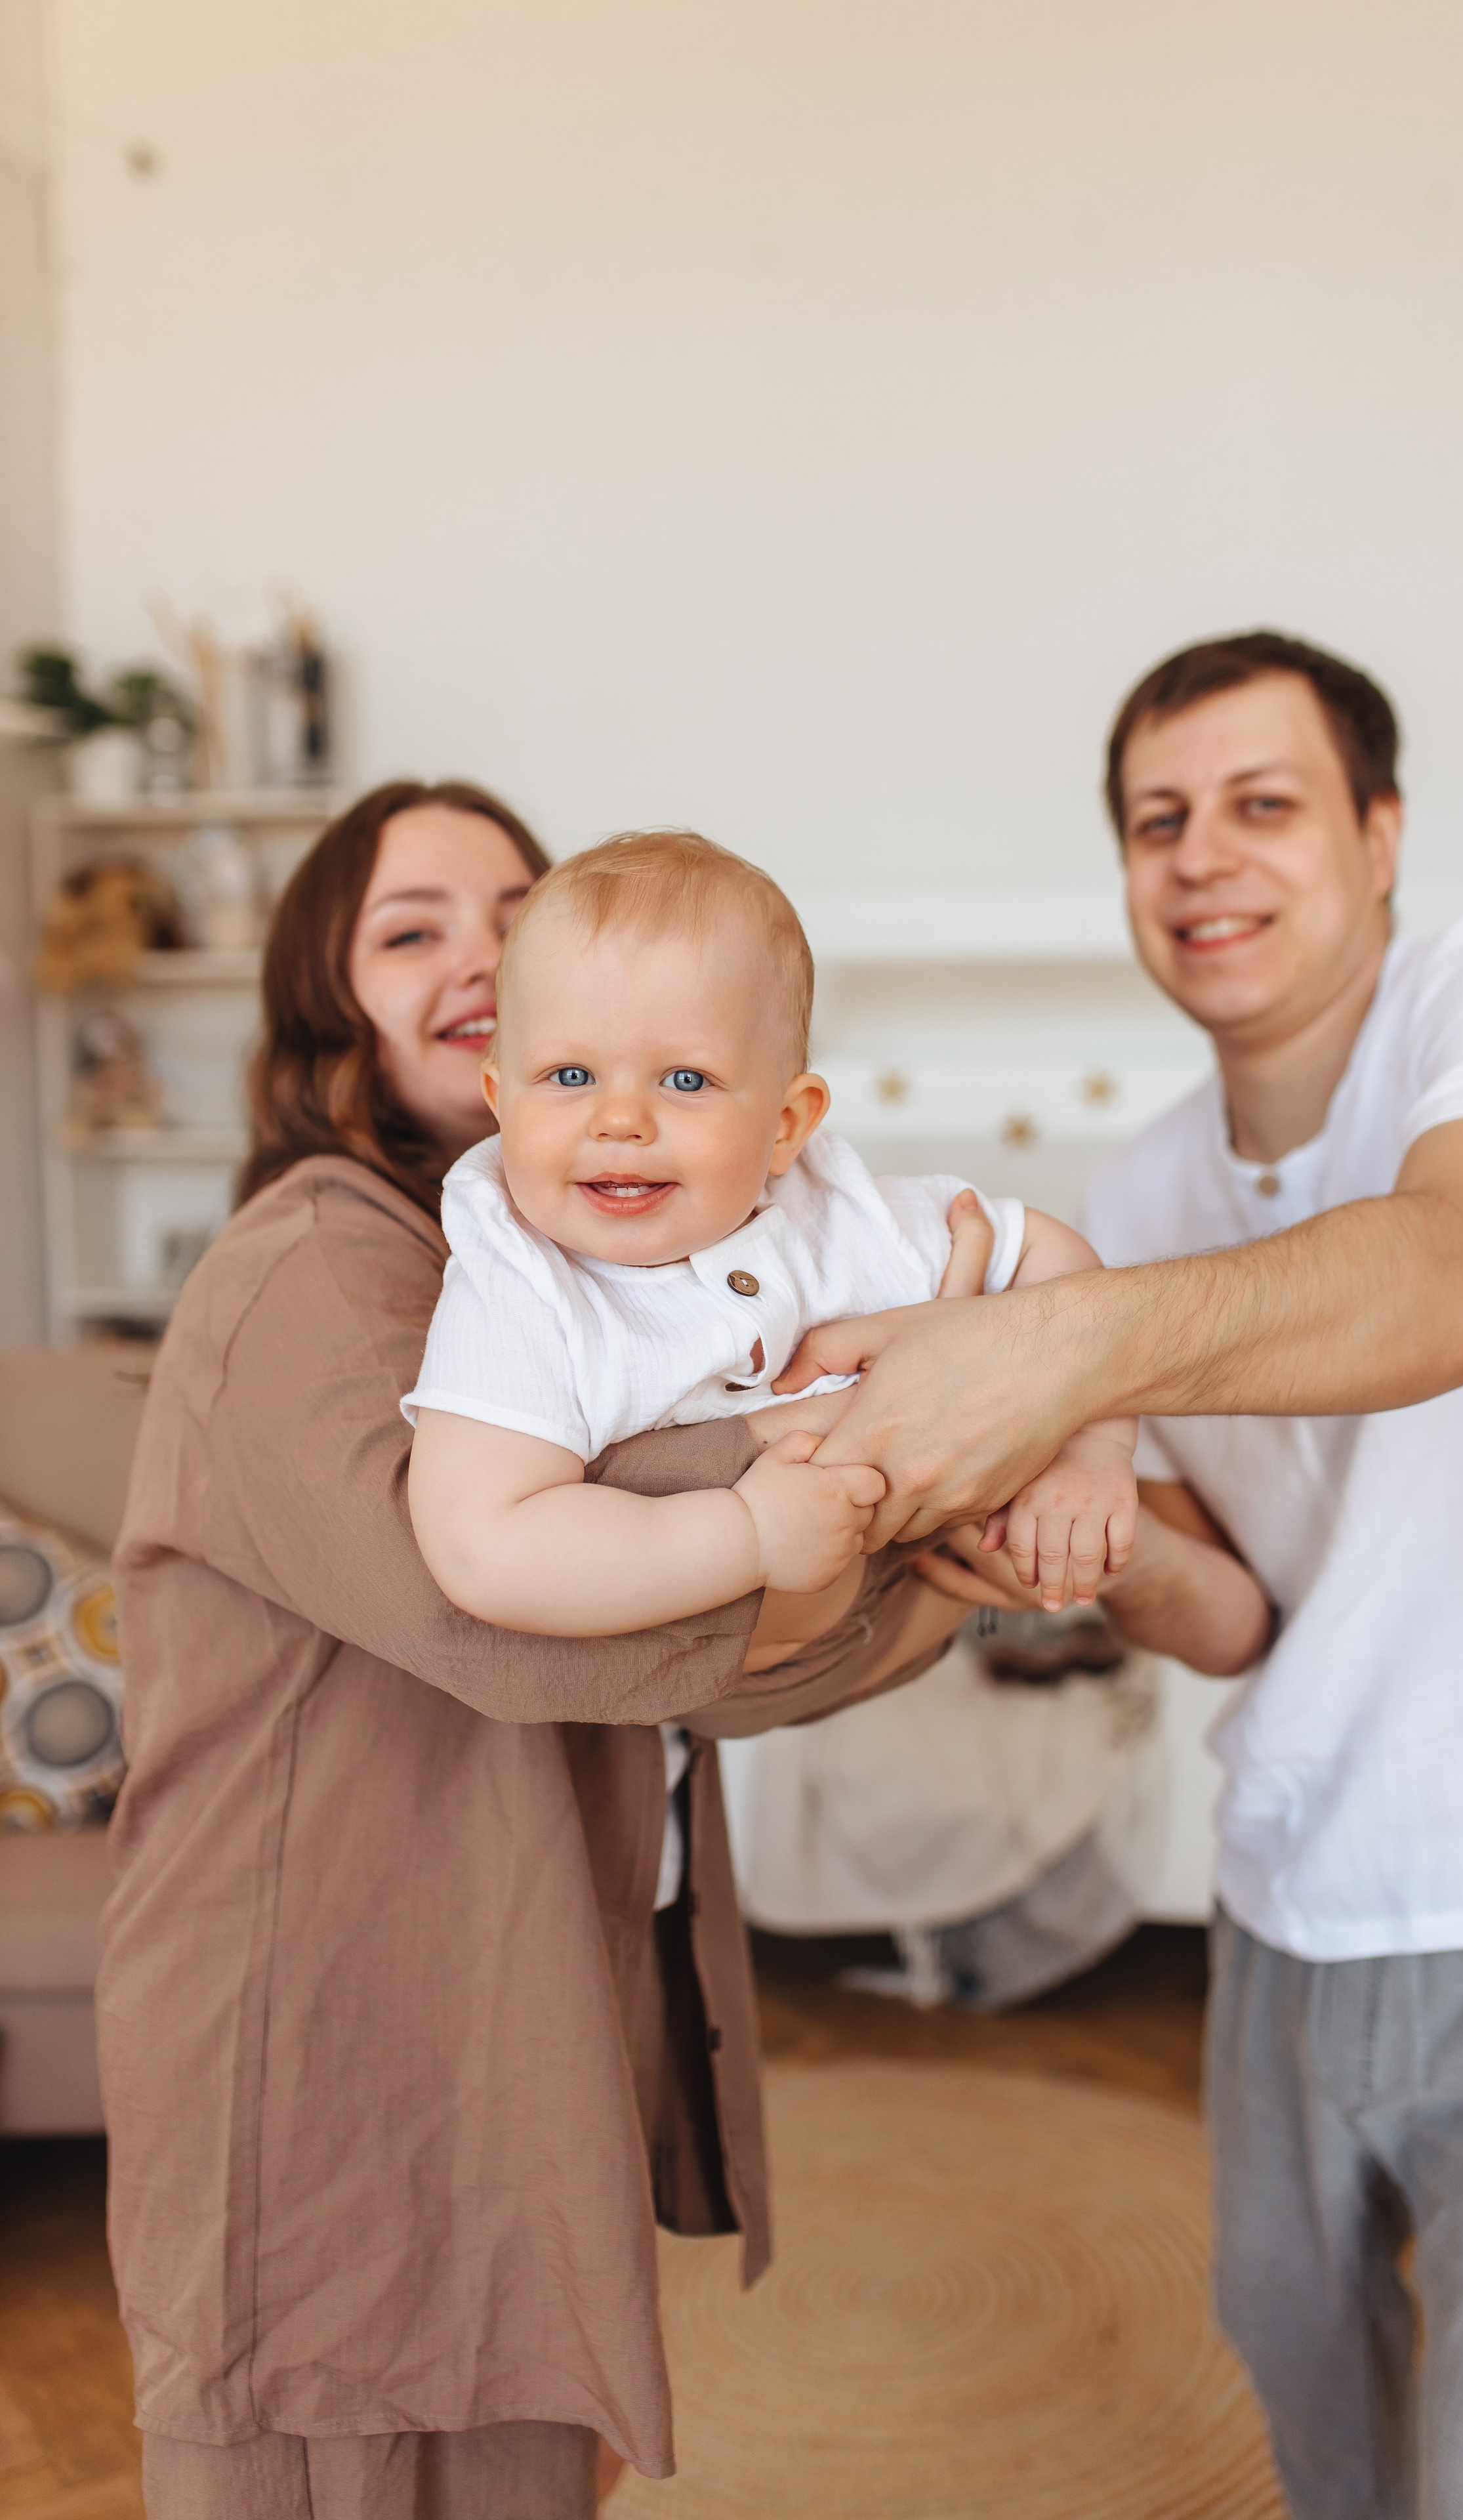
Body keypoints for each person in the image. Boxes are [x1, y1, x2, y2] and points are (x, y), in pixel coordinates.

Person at [790, 633, 1463, 2517]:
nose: (1201, 856)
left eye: (1261, 806)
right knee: (1325, 2452)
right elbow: (1239, 1610)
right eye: (1156, 821)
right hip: (1287, 1909)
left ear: (1380, 835)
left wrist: (1054, 1354)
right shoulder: (1142, 1188)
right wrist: (1069, 1538)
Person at [98, 781, 979, 2520]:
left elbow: (730, 1640)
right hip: (326, 2017)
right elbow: (501, 1622)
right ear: (326, 1001)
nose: (480, 957)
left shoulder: (570, 1283)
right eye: (409, 930)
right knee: (330, 2446)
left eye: (514, 915)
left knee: (523, 2452)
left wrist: (904, 1510)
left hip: (519, 1996)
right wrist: (917, 1475)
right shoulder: (312, 1260)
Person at [405, 828, 1138, 1647]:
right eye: (569, 1076)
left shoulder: (843, 1217)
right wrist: (746, 1535)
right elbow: (485, 1550)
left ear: (786, 1125)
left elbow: (1051, 1261)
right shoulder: (517, 1285)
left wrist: (1091, 1448)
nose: (619, 1120)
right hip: (726, 1671)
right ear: (501, 1100)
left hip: (911, 1610)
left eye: (685, 1080)